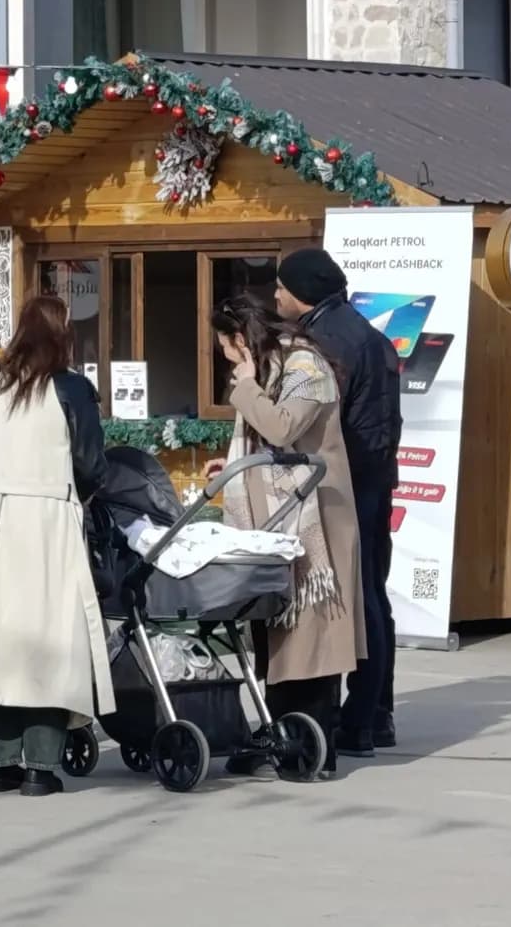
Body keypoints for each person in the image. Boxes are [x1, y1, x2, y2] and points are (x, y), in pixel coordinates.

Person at [0, 295, 114, 798]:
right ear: (64, 335)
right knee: (50, 643)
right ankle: (41, 766)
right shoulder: (70, 388)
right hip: (46, 522)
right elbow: (90, 465)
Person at [205, 295, 365, 781]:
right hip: (275, 525)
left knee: (314, 637)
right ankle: (279, 736)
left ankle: (313, 744)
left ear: (241, 338)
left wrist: (247, 386)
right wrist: (234, 467)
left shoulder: (303, 366)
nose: (228, 358)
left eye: (227, 347)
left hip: (317, 520)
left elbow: (281, 426)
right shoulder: (275, 366)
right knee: (276, 633)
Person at [273, 247, 401, 758]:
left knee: (340, 597)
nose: (275, 295)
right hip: (375, 476)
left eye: (281, 286)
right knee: (373, 593)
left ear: (302, 292)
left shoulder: (323, 344)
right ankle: (377, 714)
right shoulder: (367, 334)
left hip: (342, 483)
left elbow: (310, 422)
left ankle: (342, 718)